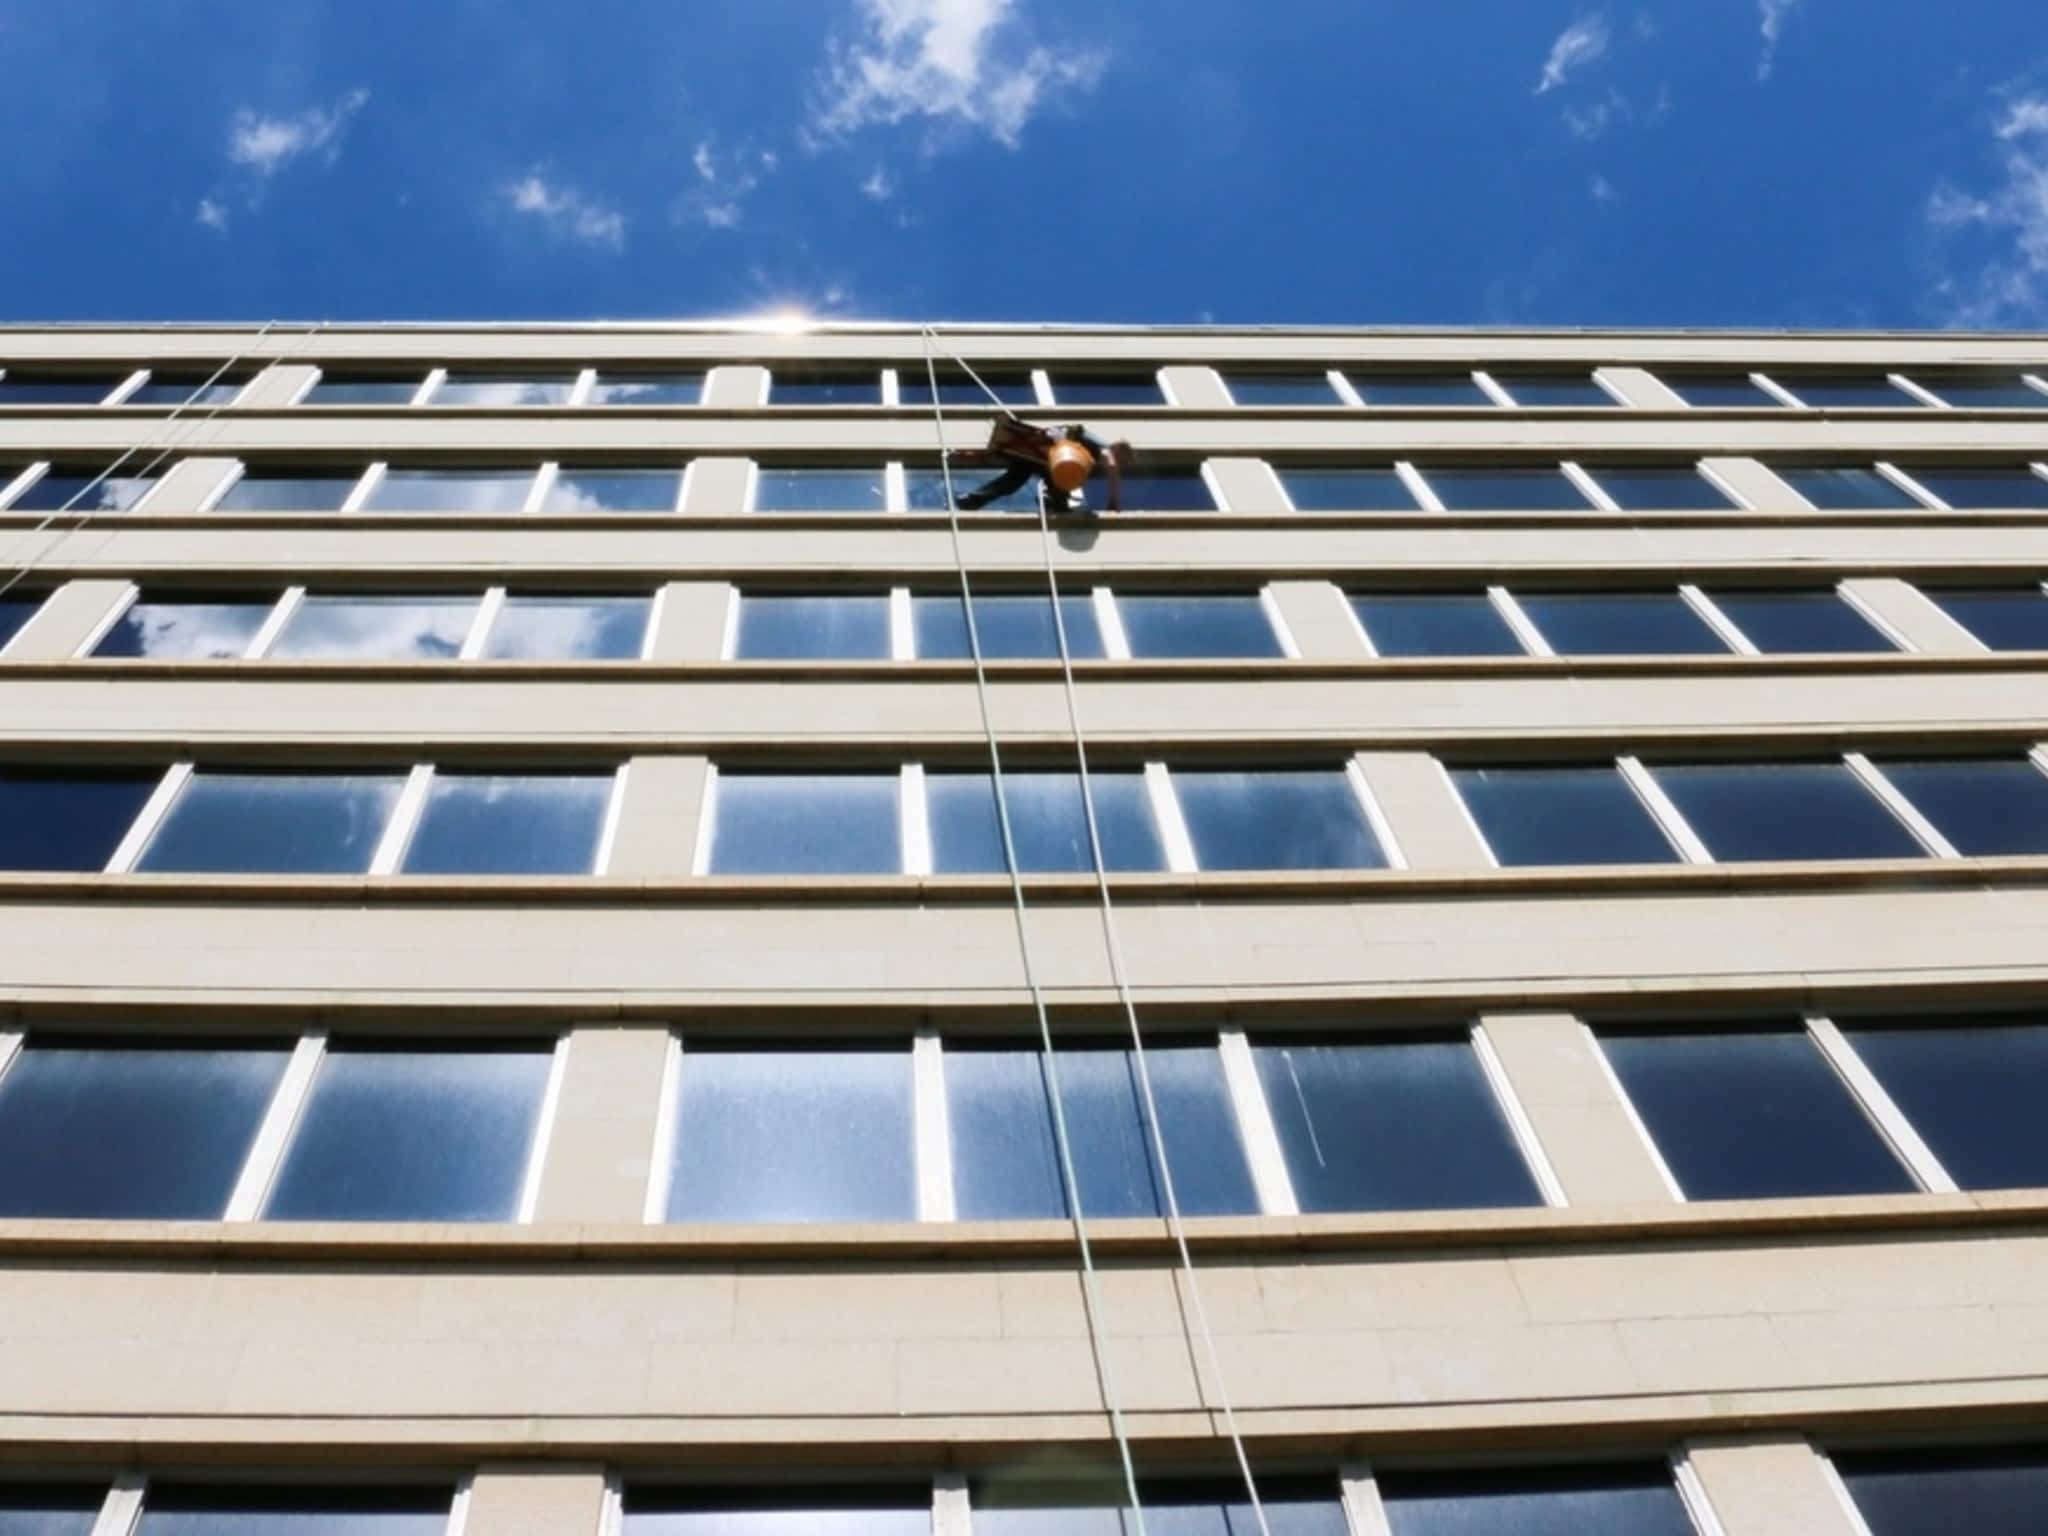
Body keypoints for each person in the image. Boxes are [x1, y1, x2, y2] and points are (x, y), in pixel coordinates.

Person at [951, 416, 1135, 514]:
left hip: (1047, 455)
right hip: (1056, 455)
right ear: (1119, 450)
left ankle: (971, 499)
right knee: (1062, 481)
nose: (1120, 464)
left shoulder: (1091, 445)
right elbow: (1111, 468)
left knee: (1011, 482)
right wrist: (1114, 502)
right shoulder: (1106, 450)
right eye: (1123, 459)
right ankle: (1052, 502)